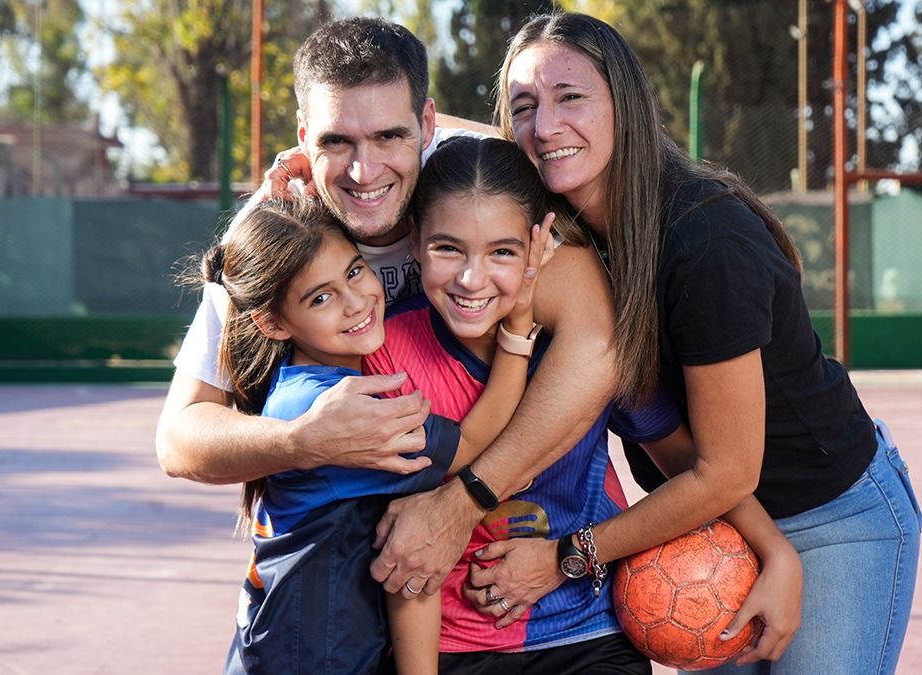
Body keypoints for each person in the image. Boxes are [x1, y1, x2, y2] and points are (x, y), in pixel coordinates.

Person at [466, 12, 922, 675]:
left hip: (827, 519)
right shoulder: (570, 235)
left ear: (625, 104)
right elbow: (464, 141)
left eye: (571, 97)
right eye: (524, 107)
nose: (545, 126)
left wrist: (569, 555)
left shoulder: (705, 241)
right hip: (707, 523)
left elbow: (727, 470)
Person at [154, 16, 617, 616]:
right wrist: (303, 440)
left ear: (426, 126)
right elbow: (180, 438)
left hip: (499, 579)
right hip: (338, 595)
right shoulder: (277, 231)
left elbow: (597, 347)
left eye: (388, 137)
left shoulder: (474, 190)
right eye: (336, 142)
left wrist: (465, 502)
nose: (363, 171)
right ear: (304, 137)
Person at [364, 135, 801, 673]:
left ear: (539, 247)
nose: (472, 279)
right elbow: (408, 542)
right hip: (454, 644)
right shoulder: (387, 353)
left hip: (587, 632)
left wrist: (774, 549)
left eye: (502, 252)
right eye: (447, 249)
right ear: (414, 241)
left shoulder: (578, 352)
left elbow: (684, 459)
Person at [206, 196, 553, 674]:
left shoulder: (306, 385)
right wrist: (517, 327)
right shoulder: (332, 410)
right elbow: (471, 446)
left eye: (354, 272)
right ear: (272, 323)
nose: (355, 302)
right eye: (321, 298)